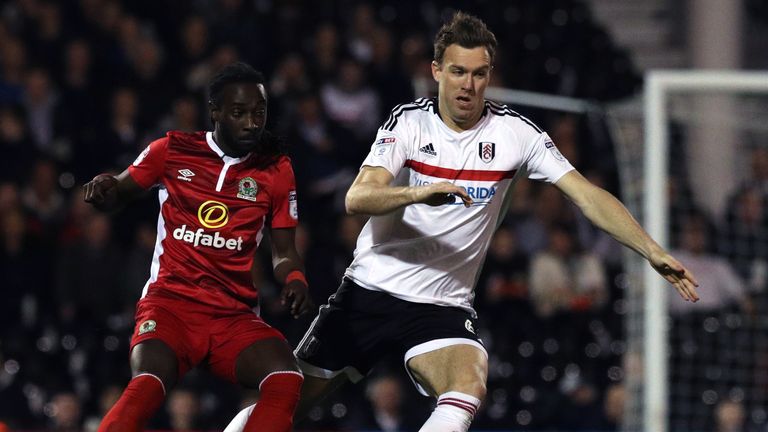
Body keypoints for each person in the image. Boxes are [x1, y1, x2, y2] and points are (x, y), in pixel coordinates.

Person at [226, 12, 700, 432]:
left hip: (442, 304)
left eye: (478, 74)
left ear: (489, 75)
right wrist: (418, 192)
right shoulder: (408, 123)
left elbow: (588, 196)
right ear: (436, 71)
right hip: (369, 293)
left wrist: (653, 250)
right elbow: (357, 197)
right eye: (457, 72)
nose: (467, 85)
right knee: (284, 406)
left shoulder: (516, 134)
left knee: (469, 381)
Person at [83, 62, 313, 432]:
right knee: (148, 383)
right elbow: (118, 192)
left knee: (286, 376)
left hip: (231, 315)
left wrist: (295, 279)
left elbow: (284, 251)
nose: (252, 123)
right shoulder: (172, 150)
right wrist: (102, 187)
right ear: (215, 112)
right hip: (170, 304)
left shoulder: (275, 169)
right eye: (239, 113)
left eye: (260, 112)